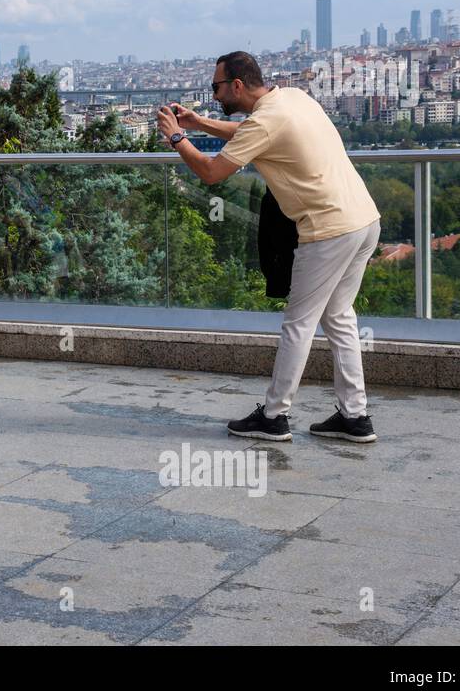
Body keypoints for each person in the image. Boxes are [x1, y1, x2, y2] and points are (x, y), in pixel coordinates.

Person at [158, 50, 382, 443]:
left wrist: (177, 138)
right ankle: (355, 416)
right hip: (364, 221)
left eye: (217, 87)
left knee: (299, 324)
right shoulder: (293, 99)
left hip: (327, 229)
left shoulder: (265, 120)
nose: (215, 95)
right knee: (340, 319)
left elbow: (212, 173)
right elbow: (254, 135)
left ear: (237, 85)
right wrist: (198, 124)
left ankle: (275, 416)